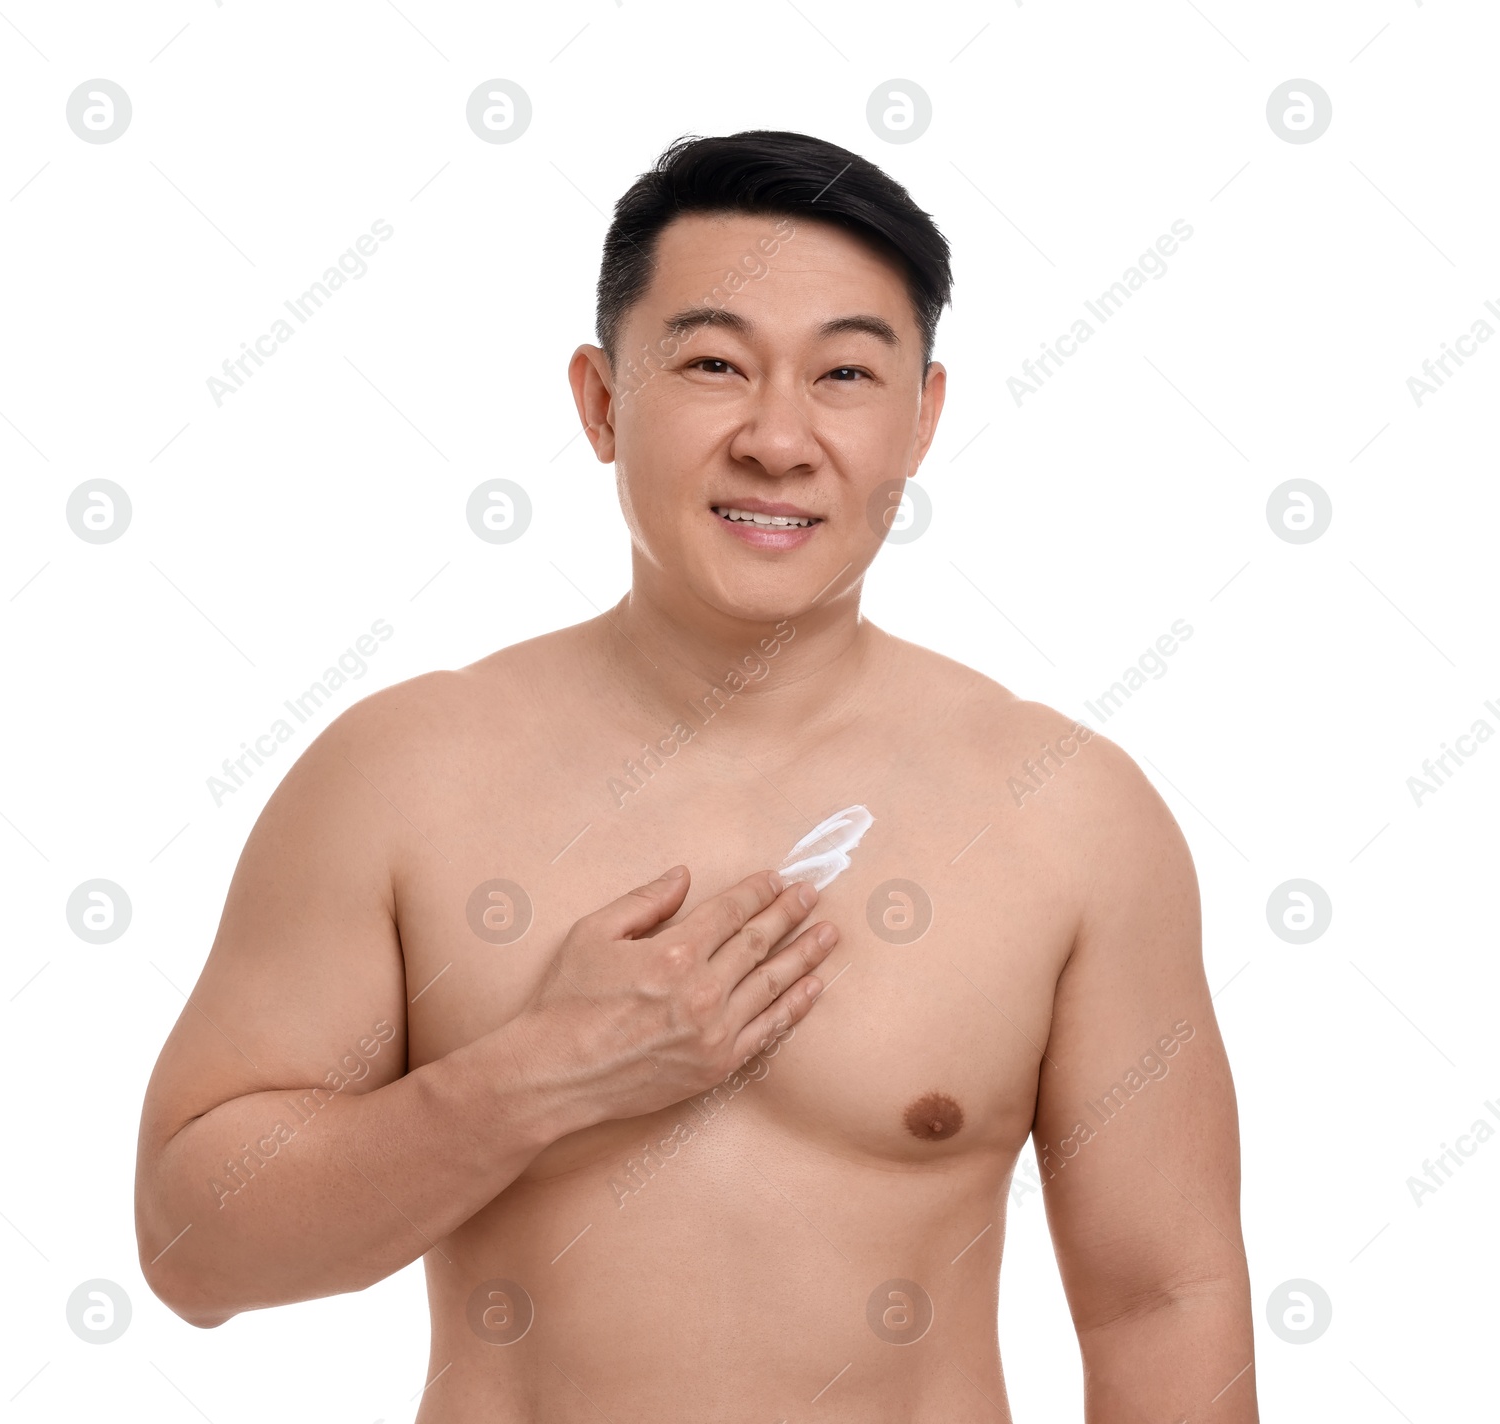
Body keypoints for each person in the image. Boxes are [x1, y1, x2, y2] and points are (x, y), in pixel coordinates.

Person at [135, 129, 1256, 1422]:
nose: (779, 440)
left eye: (844, 373)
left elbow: (1162, 1304)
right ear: (603, 401)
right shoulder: (399, 779)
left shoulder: (1067, 813)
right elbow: (192, 1255)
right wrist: (537, 1073)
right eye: (716, 363)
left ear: (922, 420)